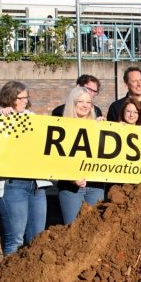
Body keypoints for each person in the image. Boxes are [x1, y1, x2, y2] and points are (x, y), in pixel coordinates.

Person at [0, 81, 52, 256]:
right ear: (9, 98)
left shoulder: (35, 121)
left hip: (36, 185)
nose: (24, 101)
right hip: (11, 185)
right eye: (19, 97)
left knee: (37, 239)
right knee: (15, 238)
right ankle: (10, 280)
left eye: (26, 97)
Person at [56, 87, 106, 223]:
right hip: (71, 188)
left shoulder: (98, 126)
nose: (85, 105)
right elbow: (55, 159)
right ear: (73, 103)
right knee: (73, 231)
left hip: (96, 186)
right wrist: (71, 178)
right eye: (80, 101)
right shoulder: (60, 127)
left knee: (96, 231)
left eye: (88, 102)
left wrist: (107, 128)